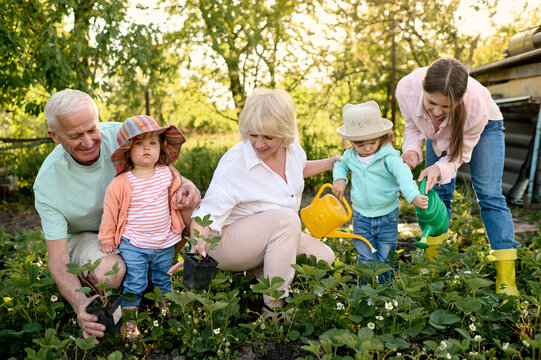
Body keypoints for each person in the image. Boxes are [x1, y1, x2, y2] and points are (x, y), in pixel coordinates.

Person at [33, 89, 200, 343]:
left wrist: (187, 184)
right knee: (111, 271)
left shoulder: (126, 136)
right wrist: (79, 304)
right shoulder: (48, 183)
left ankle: (180, 276)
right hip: (89, 235)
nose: (88, 142)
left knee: (186, 204)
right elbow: (57, 259)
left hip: (138, 226)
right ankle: (111, 290)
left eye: (91, 129)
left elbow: (163, 173)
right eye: (76, 135)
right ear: (54, 136)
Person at [170, 88, 337, 320]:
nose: (259, 144)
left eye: (268, 137)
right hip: (226, 242)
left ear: (285, 133)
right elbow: (205, 215)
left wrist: (330, 164)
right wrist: (197, 246)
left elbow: (295, 171)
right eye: (253, 135)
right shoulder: (235, 162)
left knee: (323, 258)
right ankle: (275, 309)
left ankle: (258, 271)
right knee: (288, 219)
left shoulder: (293, 148)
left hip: (266, 234)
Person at [396, 57, 520, 295]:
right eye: (432, 103)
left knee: (489, 193)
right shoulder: (407, 89)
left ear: (458, 100)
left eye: (446, 106)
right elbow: (413, 125)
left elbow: (458, 154)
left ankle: (507, 279)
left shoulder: (474, 107)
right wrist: (411, 149)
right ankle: (432, 266)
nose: (437, 111)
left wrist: (439, 167)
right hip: (438, 135)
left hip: (486, 128)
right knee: (436, 192)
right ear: (423, 88)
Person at [98, 115, 187, 339]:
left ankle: (166, 310)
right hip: (134, 244)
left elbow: (179, 193)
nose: (146, 148)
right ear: (128, 150)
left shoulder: (168, 173)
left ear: (161, 147)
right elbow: (110, 212)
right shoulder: (121, 182)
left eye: (152, 143)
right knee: (135, 282)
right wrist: (107, 238)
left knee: (163, 279)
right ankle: (130, 322)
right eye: (139, 143)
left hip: (164, 241)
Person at [332, 101, 428, 283]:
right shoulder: (350, 156)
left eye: (372, 143)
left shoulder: (388, 157)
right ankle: (366, 293)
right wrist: (340, 179)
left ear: (382, 137)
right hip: (361, 216)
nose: (367, 148)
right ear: (351, 142)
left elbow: (403, 175)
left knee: (385, 258)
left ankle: (385, 291)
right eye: (361, 145)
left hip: (387, 216)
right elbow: (340, 165)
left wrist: (413, 195)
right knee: (365, 258)